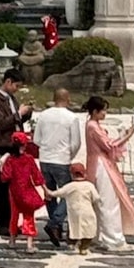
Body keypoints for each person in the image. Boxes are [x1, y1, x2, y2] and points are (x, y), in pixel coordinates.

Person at [84, 97, 134, 249]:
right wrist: (127, 136)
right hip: (101, 165)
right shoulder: (93, 126)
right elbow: (109, 145)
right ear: (95, 111)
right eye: (103, 110)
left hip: (96, 163)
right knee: (109, 202)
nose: (105, 113)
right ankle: (113, 239)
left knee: (101, 203)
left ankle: (101, 236)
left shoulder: (92, 124)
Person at [30, 87, 84, 247]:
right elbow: (76, 142)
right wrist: (70, 155)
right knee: (69, 194)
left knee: (50, 194)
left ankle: (57, 226)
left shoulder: (43, 116)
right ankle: (55, 222)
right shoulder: (71, 117)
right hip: (62, 159)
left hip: (45, 158)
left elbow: (36, 139)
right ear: (67, 99)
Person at [0, 68, 33, 237]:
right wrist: (18, 114)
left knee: (16, 185)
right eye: (16, 86)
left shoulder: (12, 98)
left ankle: (13, 221)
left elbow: (16, 120)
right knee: (3, 186)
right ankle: (3, 223)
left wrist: (25, 114)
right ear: (8, 82)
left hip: (14, 143)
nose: (17, 89)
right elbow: (1, 124)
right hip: (2, 146)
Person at [0, 135, 46, 249]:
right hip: (27, 189)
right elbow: (37, 176)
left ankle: (12, 240)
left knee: (14, 215)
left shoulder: (10, 160)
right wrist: (45, 190)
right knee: (29, 215)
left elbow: (5, 177)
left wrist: (1, 167)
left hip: (14, 190)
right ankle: (29, 244)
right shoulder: (29, 159)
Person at [45, 163, 102, 253]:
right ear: (84, 173)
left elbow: (57, 193)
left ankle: (72, 244)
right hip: (87, 211)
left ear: (72, 175)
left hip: (74, 212)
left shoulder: (70, 186)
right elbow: (96, 198)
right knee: (88, 229)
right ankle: (84, 247)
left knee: (73, 228)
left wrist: (46, 190)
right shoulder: (89, 185)